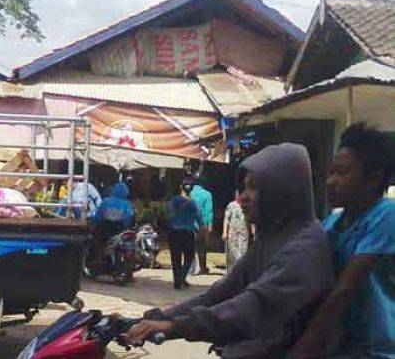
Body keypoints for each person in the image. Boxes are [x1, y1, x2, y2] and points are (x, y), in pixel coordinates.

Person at [125, 143, 334, 358]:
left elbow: (252, 307)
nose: (242, 197)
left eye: (254, 187)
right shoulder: (272, 237)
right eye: (243, 188)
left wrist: (174, 326)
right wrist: (160, 317)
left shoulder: (303, 248)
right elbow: (223, 291)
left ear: (281, 190)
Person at [292, 124, 394, 358]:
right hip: (344, 347)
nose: (330, 181)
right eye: (331, 172)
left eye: (342, 173)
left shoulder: (386, 216)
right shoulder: (331, 223)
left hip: (380, 349)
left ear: (373, 179)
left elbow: (344, 291)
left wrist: (303, 350)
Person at [89, 181, 135, 267]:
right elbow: (129, 217)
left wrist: (92, 221)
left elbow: (98, 216)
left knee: (97, 240)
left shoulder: (106, 201)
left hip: (106, 227)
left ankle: (98, 259)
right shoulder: (127, 204)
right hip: (121, 228)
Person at [167, 182, 203, 289]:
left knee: (175, 257)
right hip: (188, 232)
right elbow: (199, 217)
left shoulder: (173, 201)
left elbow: (169, 214)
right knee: (189, 257)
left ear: (180, 187)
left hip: (175, 232)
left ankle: (177, 281)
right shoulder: (193, 203)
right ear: (191, 190)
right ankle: (182, 277)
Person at [222, 193, 251, 271]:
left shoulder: (247, 205)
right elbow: (226, 219)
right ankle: (231, 272)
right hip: (233, 234)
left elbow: (250, 220)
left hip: (244, 234)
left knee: (243, 253)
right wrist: (224, 232)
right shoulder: (231, 205)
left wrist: (253, 232)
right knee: (232, 254)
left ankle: (241, 272)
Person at [191, 180, 213, 275]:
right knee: (202, 247)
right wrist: (210, 225)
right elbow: (209, 211)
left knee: (190, 247)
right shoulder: (207, 194)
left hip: (190, 224)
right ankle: (202, 268)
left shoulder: (190, 194)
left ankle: (190, 269)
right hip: (202, 225)